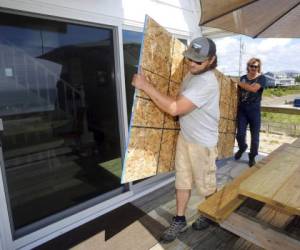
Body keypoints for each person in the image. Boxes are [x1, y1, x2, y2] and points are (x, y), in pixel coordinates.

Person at [132, 37, 219, 242]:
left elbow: (174, 108)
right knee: (182, 181)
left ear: (212, 60)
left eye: (198, 61)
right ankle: (179, 219)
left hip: (203, 144)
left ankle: (211, 214)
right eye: (190, 58)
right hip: (186, 137)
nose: (192, 64)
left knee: (206, 185)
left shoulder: (207, 82)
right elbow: (178, 99)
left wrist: (145, 86)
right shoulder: (191, 74)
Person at [234, 58, 266, 167]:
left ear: (258, 67)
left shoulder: (262, 78)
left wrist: (239, 83)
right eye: (252, 66)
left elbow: (253, 89)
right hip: (242, 110)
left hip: (254, 110)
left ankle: (252, 156)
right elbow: (237, 92)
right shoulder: (243, 78)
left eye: (256, 66)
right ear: (248, 66)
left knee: (255, 137)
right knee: (240, 134)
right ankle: (242, 147)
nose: (253, 68)